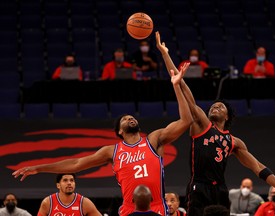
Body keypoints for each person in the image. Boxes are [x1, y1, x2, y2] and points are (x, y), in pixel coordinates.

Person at [12, 59, 193, 216]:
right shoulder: (112, 151)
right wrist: (39, 168)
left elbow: (186, 120)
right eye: (125, 119)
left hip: (157, 208)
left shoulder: (153, 140)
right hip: (129, 210)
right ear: (120, 131)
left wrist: (176, 85)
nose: (130, 118)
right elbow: (75, 164)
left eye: (132, 117)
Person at [155, 31, 275, 216]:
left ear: (227, 116)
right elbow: (183, 86)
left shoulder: (234, 142)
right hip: (199, 186)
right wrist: (164, 54)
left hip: (221, 189)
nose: (215, 108)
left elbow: (258, 168)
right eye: (213, 106)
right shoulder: (202, 125)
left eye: (220, 107)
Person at [37, 173, 102, 216]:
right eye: (65, 180)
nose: (69, 183)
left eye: (72, 180)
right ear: (58, 185)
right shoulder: (48, 202)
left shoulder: (84, 203)